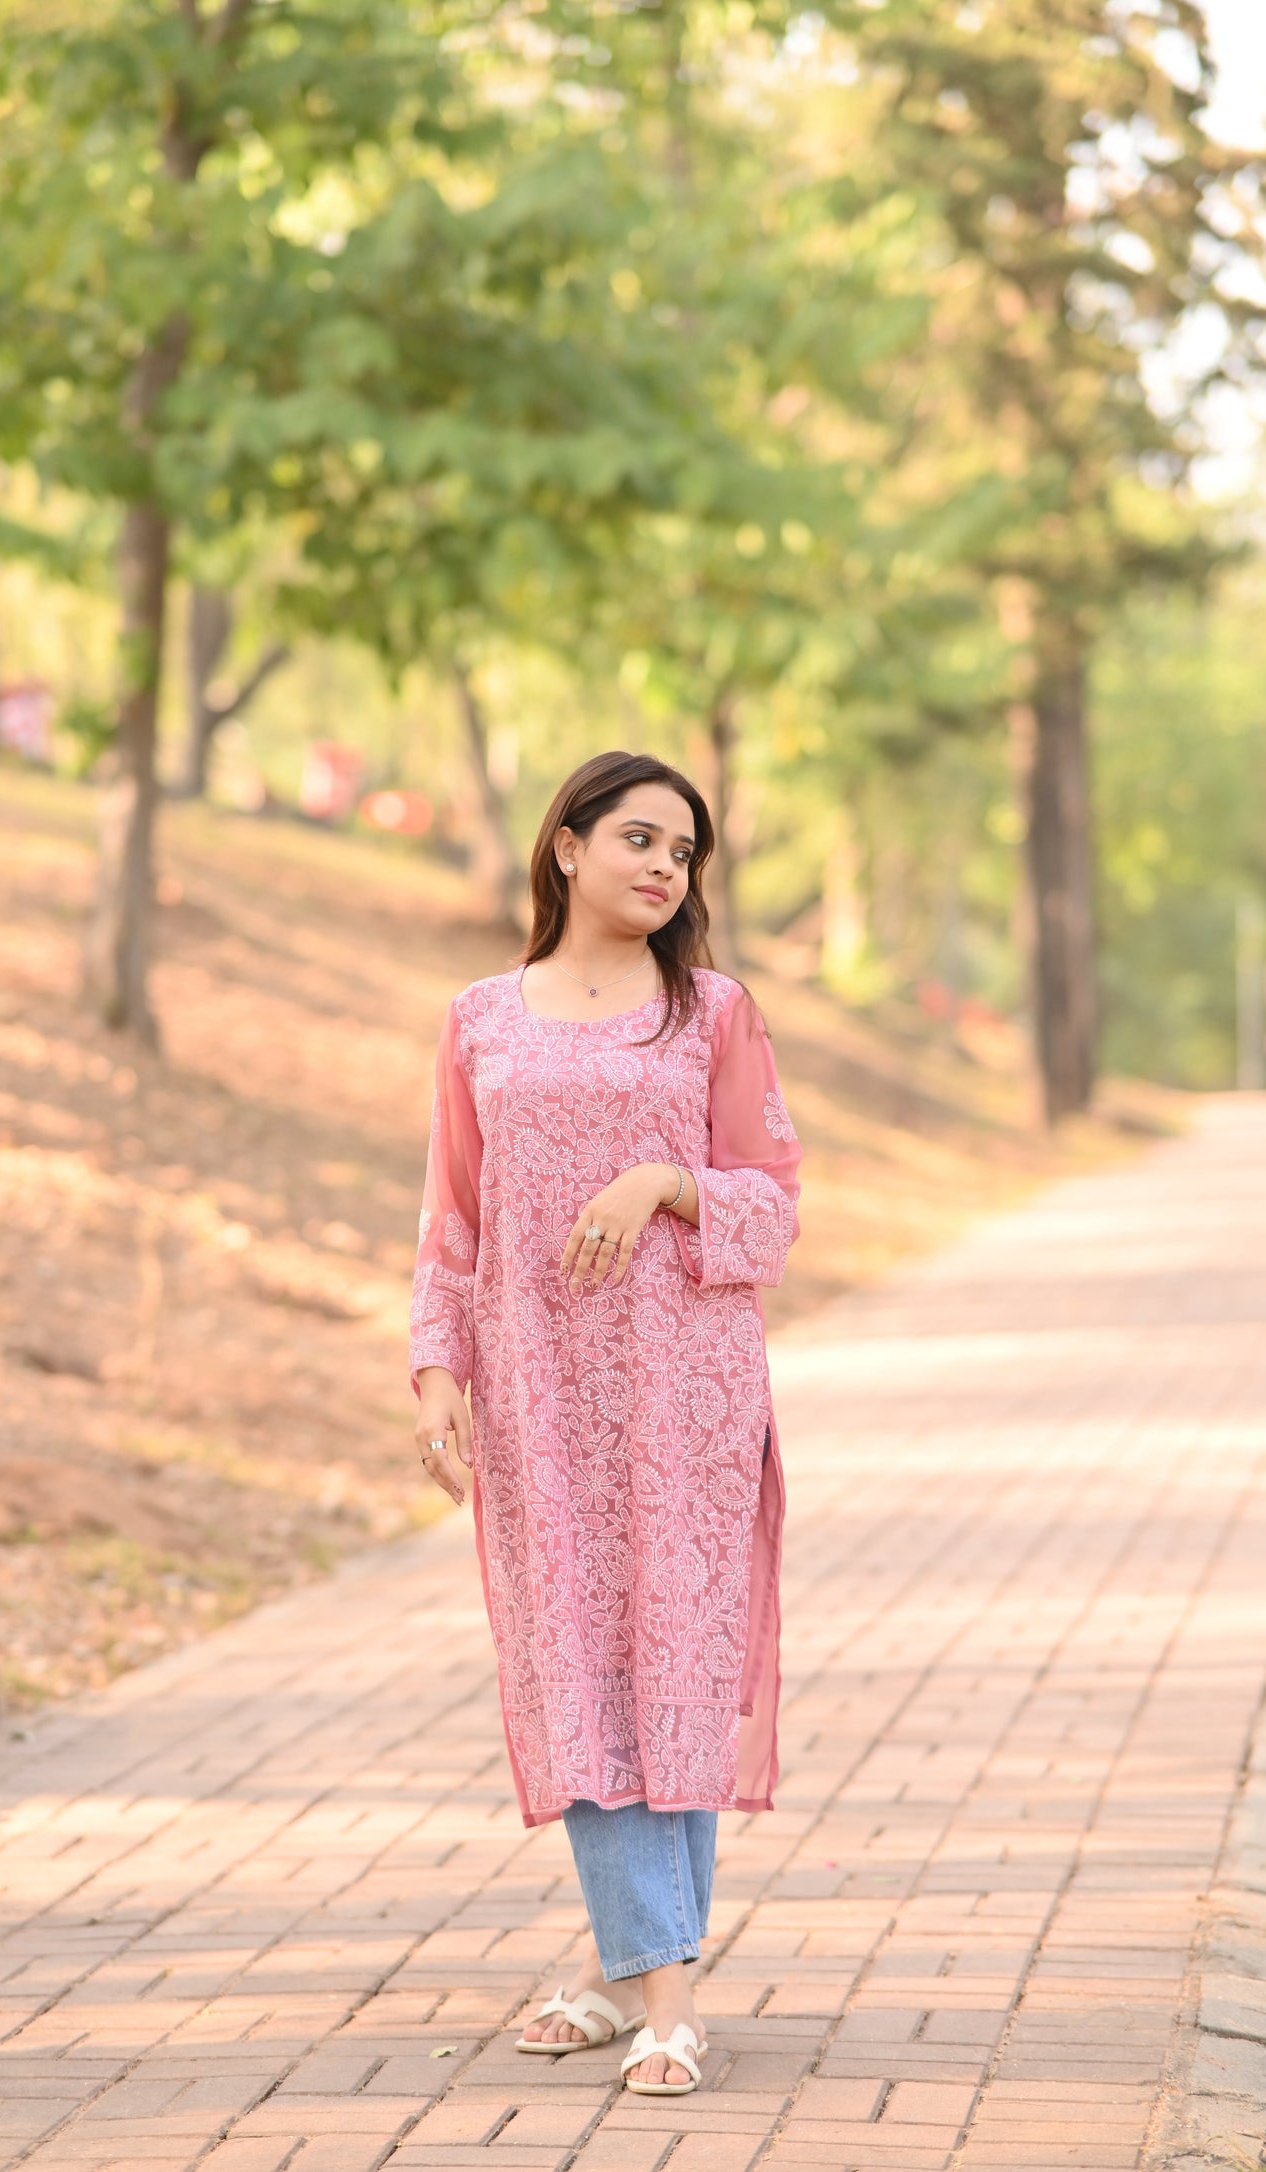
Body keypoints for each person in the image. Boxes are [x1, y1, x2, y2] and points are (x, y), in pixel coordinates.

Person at [410, 750, 800, 2096]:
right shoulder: (479, 1021)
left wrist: (660, 1182)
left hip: (684, 1395)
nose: (662, 868)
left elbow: (774, 1200)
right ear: (564, 846)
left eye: (683, 852)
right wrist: (437, 1371)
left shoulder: (711, 1014)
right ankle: (636, 1972)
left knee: (674, 1671)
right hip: (537, 1397)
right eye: (637, 838)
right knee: (578, 1670)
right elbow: (450, 1221)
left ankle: (659, 1998)